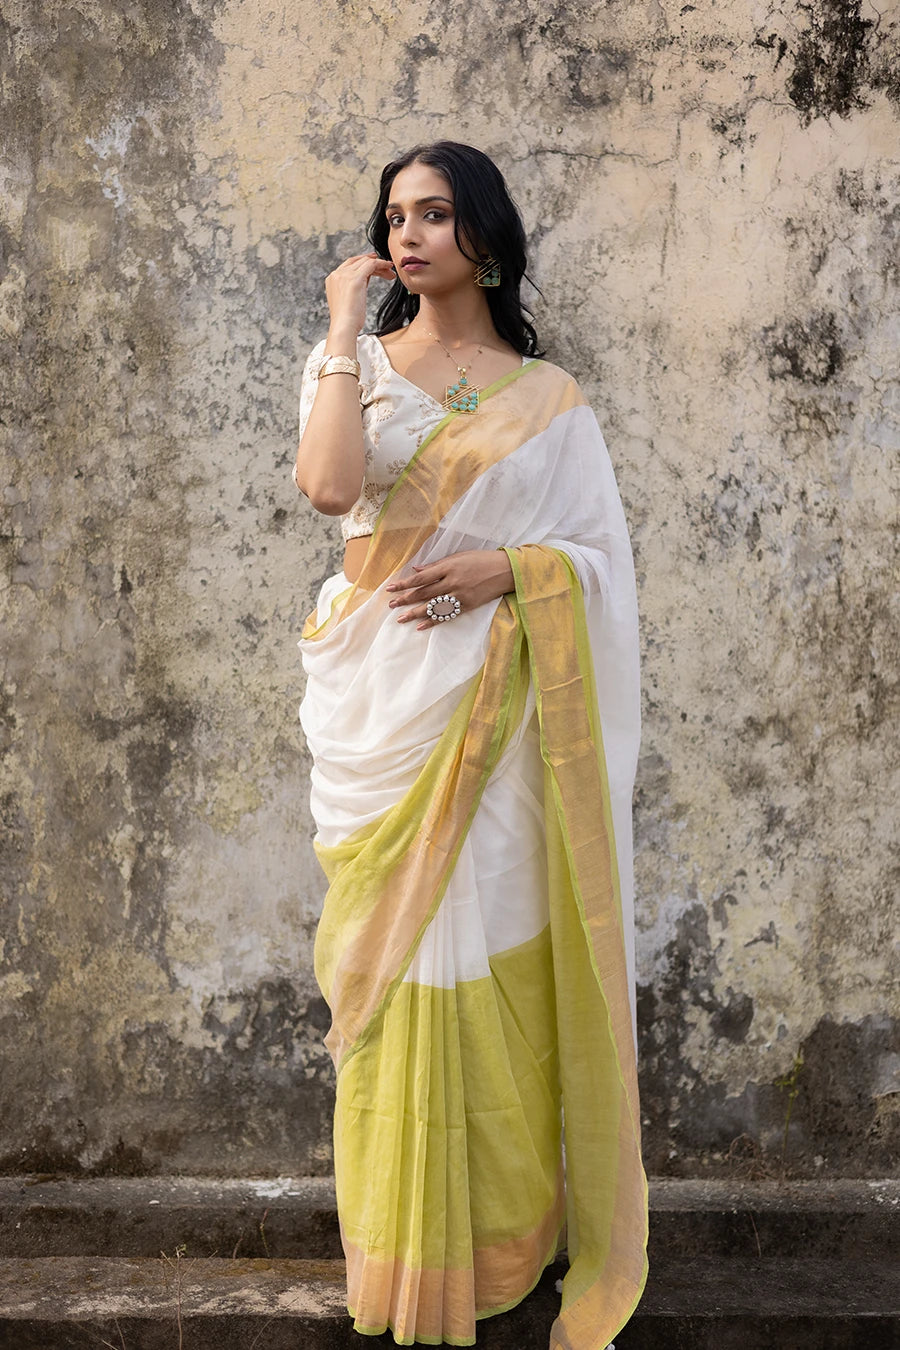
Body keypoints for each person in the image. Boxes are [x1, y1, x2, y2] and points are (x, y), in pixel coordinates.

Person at [293, 141, 647, 1349]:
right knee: (385, 976)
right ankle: (398, 1252)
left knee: (484, 959)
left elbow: (602, 568)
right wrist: (347, 319)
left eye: (435, 214)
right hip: (379, 705)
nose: (410, 235)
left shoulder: (549, 403)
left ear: (482, 238)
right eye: (395, 217)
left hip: (492, 719)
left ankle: (497, 1243)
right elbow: (331, 489)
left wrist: (511, 568)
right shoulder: (358, 367)